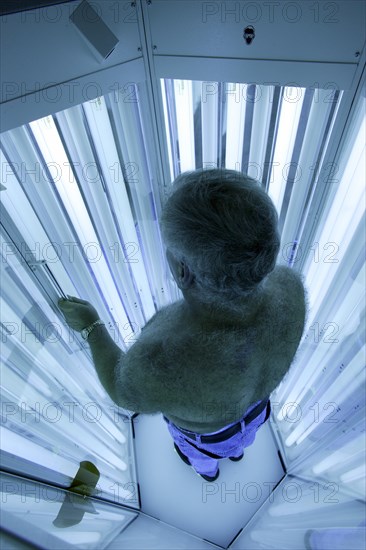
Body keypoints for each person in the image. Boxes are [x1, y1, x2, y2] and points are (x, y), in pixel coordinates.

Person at [59, 168, 307, 482]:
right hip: (258, 415)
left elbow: (122, 391)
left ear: (182, 271)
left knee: (202, 461)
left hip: (205, 440)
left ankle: (209, 473)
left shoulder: (161, 361)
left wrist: (92, 326)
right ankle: (237, 451)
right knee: (240, 443)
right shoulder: (290, 288)